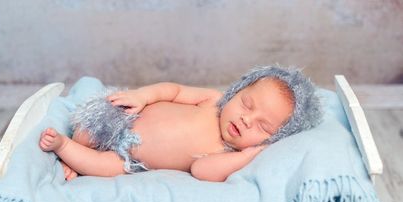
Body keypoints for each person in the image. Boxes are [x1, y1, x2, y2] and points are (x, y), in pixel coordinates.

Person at [39, 65, 322, 182]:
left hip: (129, 158)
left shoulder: (228, 152)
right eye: (247, 104)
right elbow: (174, 91)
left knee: (103, 167)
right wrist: (143, 95)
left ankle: (67, 150)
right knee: (92, 124)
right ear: (238, 90)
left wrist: (248, 155)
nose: (247, 120)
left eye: (263, 128)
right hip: (124, 118)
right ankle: (76, 146)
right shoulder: (214, 100)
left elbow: (201, 170)